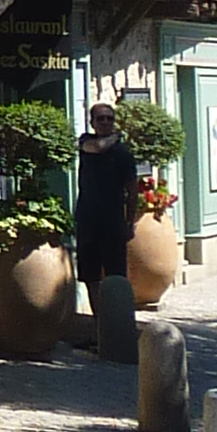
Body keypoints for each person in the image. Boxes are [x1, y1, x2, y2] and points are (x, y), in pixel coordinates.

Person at [72, 100, 139, 329]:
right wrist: (116, 136)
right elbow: (97, 148)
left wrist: (130, 222)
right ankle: (100, 326)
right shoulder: (86, 142)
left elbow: (132, 190)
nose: (106, 122)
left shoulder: (123, 153)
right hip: (88, 219)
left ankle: (118, 327)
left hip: (113, 221)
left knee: (116, 276)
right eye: (101, 118)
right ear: (92, 122)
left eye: (110, 118)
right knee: (90, 276)